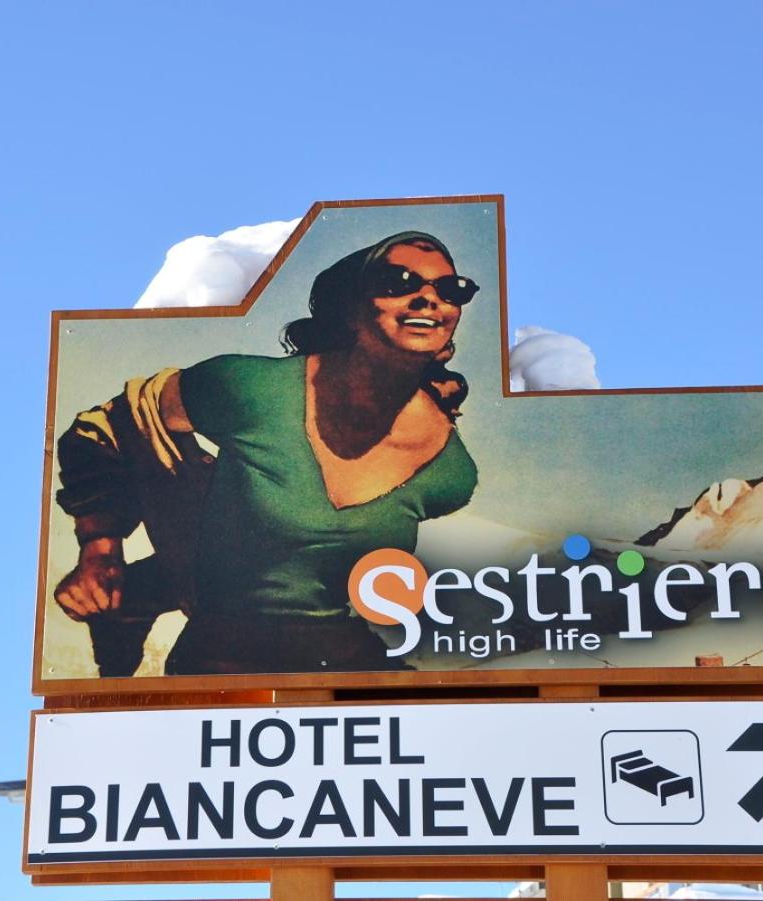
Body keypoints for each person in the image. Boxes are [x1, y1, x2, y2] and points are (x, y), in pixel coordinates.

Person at [51, 231, 481, 676]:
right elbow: (105, 426)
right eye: (398, 282)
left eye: (451, 289)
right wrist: (100, 548)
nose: (428, 298)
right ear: (352, 307)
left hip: (339, 663)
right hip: (220, 663)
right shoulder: (249, 389)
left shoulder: (450, 473)